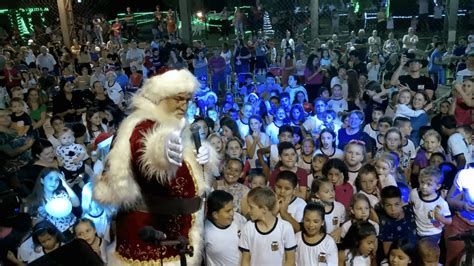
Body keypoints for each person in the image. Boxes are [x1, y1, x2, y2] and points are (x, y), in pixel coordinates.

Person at [93, 69, 219, 264]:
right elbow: (144, 147)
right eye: (178, 99)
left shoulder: (179, 125)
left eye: (187, 100)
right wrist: (162, 149)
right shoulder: (140, 124)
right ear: (161, 96)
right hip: (151, 239)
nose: (184, 105)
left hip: (181, 235)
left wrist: (206, 155)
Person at [238, 187, 297, 266]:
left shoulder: (285, 228)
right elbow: (245, 261)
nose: (248, 210)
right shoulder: (248, 228)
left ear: (264, 209)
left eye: (251, 207)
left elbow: (290, 261)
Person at [204, 190, 246, 266]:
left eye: (232, 209)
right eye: (228, 211)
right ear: (215, 214)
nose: (232, 213)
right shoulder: (205, 232)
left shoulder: (239, 219)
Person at [410, 166, 452, 242]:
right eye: (422, 182)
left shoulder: (441, 203)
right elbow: (411, 205)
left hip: (433, 234)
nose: (424, 187)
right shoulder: (414, 193)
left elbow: (449, 221)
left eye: (429, 184)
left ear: (438, 186)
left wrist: (439, 217)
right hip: (417, 231)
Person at [444, 167, 474, 265]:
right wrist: (463, 205)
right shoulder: (465, 174)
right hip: (461, 224)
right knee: (455, 258)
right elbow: (450, 199)